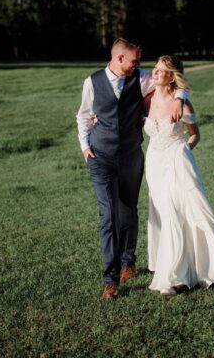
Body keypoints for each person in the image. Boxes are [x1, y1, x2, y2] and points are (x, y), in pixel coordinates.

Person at [76, 38, 186, 299]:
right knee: (108, 215)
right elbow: (83, 115)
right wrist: (84, 146)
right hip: (101, 158)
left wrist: (182, 97)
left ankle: (128, 262)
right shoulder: (92, 82)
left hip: (131, 157)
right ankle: (111, 279)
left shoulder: (140, 77)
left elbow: (172, 80)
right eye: (135, 60)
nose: (140, 65)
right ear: (119, 59)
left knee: (128, 211)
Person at [143, 56, 214, 295]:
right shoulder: (146, 99)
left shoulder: (182, 103)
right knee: (164, 214)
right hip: (153, 164)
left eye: (161, 71)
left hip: (178, 162)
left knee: (185, 212)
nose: (155, 72)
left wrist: (183, 150)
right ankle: (175, 270)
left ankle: (181, 275)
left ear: (171, 76)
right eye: (155, 68)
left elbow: (195, 135)